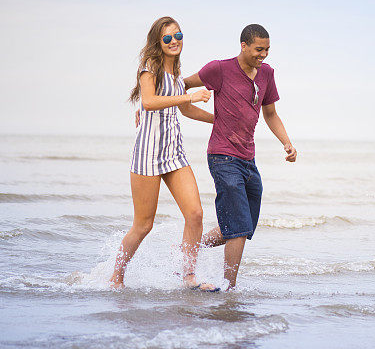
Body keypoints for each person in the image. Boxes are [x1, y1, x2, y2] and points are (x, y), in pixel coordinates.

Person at [184, 24, 297, 289]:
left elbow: (270, 113)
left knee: (242, 227)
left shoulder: (267, 73)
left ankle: (188, 250)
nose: (263, 55)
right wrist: (152, 105)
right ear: (243, 45)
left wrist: (287, 143)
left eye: (267, 49)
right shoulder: (219, 69)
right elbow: (182, 85)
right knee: (238, 226)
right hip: (223, 156)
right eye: (259, 49)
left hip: (248, 159)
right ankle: (229, 289)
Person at [110, 16, 218, 291]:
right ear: (158, 42)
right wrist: (189, 96)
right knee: (143, 225)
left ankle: (189, 277)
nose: (174, 42)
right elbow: (148, 101)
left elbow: (185, 110)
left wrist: (218, 120)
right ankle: (116, 278)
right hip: (148, 153)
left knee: (195, 214)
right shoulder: (150, 68)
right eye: (167, 38)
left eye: (178, 36)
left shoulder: (177, 76)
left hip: (174, 153)